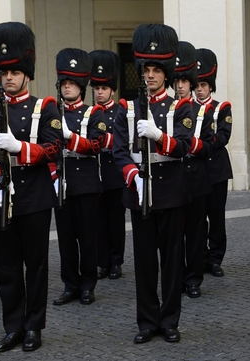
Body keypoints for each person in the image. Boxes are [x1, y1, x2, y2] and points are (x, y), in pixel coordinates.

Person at [0, 22, 61, 352]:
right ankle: (13, 326)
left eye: (14, 71)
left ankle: (34, 326)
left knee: (35, 265)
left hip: (34, 196)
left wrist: (20, 148)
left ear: (26, 72)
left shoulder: (44, 107)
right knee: (7, 267)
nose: (8, 77)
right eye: (4, 71)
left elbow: (54, 147)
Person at [112, 23, 192, 344]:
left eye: (157, 70)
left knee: (172, 261)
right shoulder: (127, 107)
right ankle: (147, 321)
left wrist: (159, 136)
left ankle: (170, 320)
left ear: (166, 73)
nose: (151, 76)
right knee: (144, 262)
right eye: (147, 69)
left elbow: (184, 146)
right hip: (139, 192)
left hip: (171, 191)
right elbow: (119, 150)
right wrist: (134, 176)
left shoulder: (180, 106)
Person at [52, 48, 106, 307]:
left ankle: (87, 285)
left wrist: (70, 137)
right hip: (61, 183)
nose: (68, 88)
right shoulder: (51, 113)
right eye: (64, 83)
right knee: (65, 239)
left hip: (86, 183)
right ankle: (70, 285)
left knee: (87, 238)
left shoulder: (94, 113)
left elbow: (96, 145)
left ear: (82, 86)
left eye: (72, 83)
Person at [174, 41, 213, 298]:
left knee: (196, 233)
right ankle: (175, 277)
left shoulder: (202, 111)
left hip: (197, 179)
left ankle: (194, 279)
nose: (180, 86)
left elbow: (210, 146)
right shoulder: (167, 110)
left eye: (184, 82)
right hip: (173, 181)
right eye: (176, 81)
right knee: (174, 235)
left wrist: (190, 144)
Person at [89, 49, 127, 281]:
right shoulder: (89, 113)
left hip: (114, 172)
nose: (100, 92)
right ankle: (101, 262)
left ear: (112, 89)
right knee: (98, 222)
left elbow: (124, 139)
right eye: (96, 88)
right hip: (95, 174)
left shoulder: (121, 111)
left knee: (115, 221)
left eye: (103, 88)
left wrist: (104, 141)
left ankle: (116, 261)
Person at [197, 48, 232, 279]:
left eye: (204, 85)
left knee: (217, 218)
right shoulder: (185, 108)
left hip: (217, 170)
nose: (200, 89)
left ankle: (215, 258)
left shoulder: (222, 107)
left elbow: (223, 136)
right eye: (197, 85)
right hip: (197, 172)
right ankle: (199, 258)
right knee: (198, 219)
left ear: (211, 86)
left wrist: (200, 144)